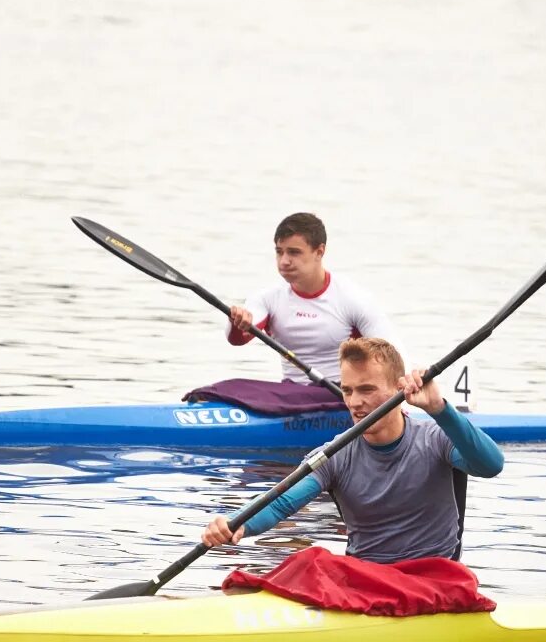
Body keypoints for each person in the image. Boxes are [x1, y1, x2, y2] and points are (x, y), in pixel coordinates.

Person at [201, 337, 503, 563]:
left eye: (367, 390)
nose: (355, 402)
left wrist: (440, 409)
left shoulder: (436, 438)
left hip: (434, 578)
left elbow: (491, 465)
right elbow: (279, 504)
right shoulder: (335, 455)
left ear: (400, 389)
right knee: (305, 560)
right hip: (366, 578)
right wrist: (235, 524)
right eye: (348, 390)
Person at [227, 213, 402, 385]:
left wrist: (406, 390)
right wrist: (237, 321)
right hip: (291, 392)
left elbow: (392, 355)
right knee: (230, 387)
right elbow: (237, 339)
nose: (284, 261)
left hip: (341, 394)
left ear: (319, 252)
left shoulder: (353, 298)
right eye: (279, 252)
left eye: (294, 252)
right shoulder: (267, 298)